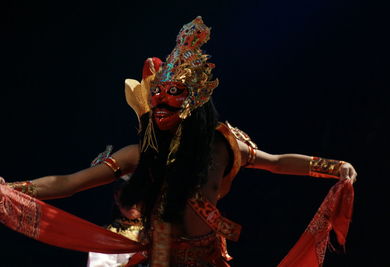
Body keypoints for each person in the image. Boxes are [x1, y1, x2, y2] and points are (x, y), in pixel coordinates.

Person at [0, 16, 356, 267]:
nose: (160, 101)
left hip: (211, 259)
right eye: (157, 93)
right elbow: (69, 183)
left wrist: (332, 167)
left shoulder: (225, 146)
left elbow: (276, 162)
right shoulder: (141, 154)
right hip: (159, 258)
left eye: (174, 92)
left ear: (195, 100)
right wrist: (11, 188)